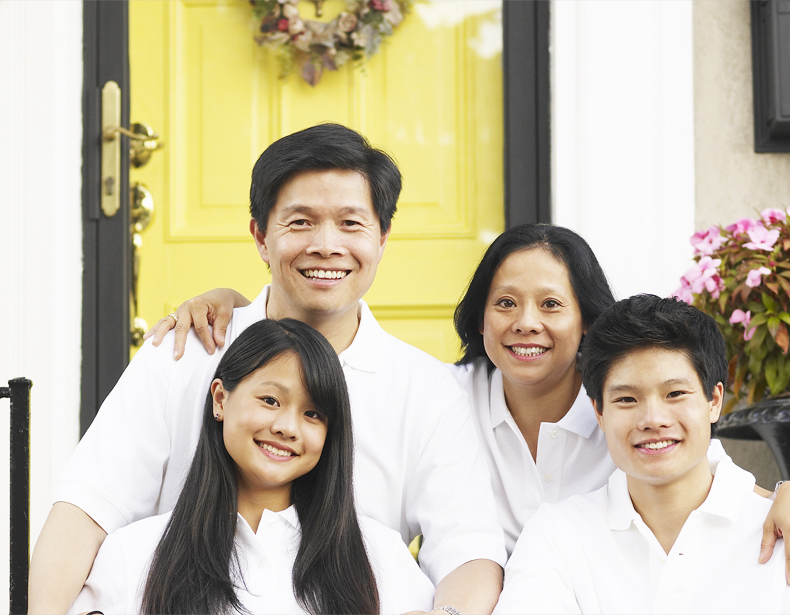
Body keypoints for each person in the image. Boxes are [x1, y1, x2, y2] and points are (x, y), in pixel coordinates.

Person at [151, 223, 790, 592]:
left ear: (587, 319)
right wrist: (240, 305)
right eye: (504, 303)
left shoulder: (627, 405)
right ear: (479, 317)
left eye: (550, 305)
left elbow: (703, 467)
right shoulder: (445, 396)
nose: (525, 323)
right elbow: (333, 371)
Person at [31, 124, 506, 615]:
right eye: (300, 222)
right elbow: (85, 510)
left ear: (383, 237)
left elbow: (469, 554)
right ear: (260, 235)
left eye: (351, 223)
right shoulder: (184, 352)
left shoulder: (425, 391)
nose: (326, 245)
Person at [493, 294, 790, 614]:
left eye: (675, 394)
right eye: (626, 399)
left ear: (714, 400)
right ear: (599, 413)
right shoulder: (558, 535)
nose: (653, 420)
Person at [68, 319, 434, 614]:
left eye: (313, 413)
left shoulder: (379, 557)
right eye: (271, 400)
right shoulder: (134, 554)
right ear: (220, 399)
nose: (287, 428)